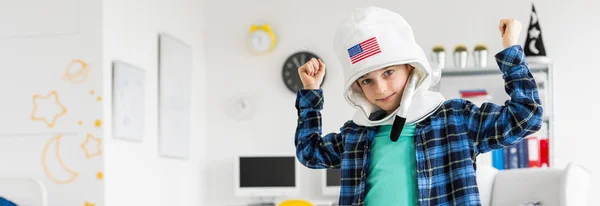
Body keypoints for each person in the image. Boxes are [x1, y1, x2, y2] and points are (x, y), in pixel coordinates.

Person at [294, 6, 543, 206]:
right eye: (367, 80)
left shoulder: (456, 120)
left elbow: (526, 115)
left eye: (389, 72)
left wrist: (510, 49)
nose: (380, 89)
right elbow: (309, 152)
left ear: (411, 68)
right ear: (357, 88)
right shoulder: (355, 134)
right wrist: (310, 93)